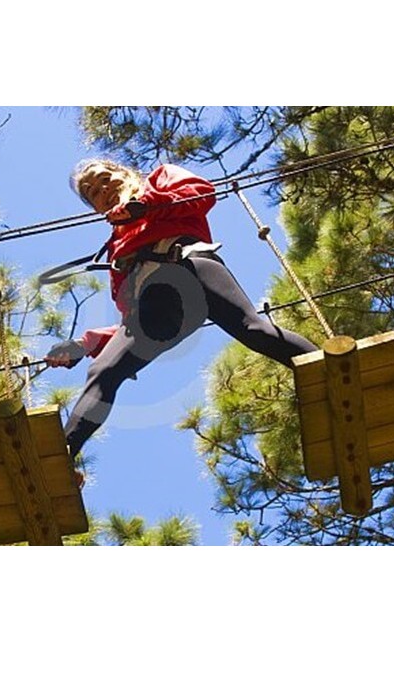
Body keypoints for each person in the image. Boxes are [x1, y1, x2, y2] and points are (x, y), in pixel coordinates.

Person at [44, 158, 318, 461]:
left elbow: (201, 193)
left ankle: (332, 372)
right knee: (104, 370)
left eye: (104, 178)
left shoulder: (158, 179)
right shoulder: (117, 248)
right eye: (92, 192)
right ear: (97, 209)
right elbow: (131, 323)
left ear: (124, 173)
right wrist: (85, 345)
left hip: (191, 264)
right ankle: (61, 457)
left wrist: (146, 205)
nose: (103, 189)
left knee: (254, 330)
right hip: (158, 301)